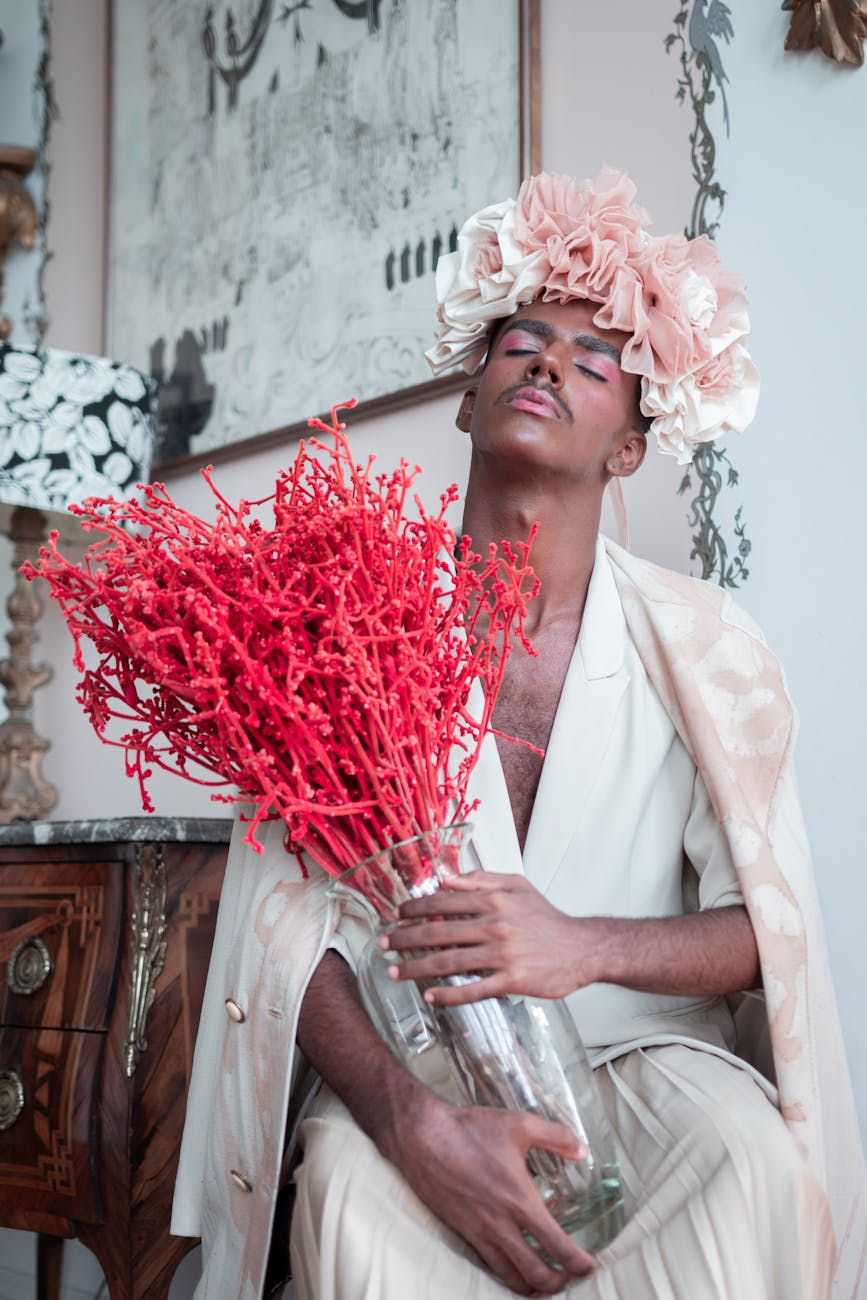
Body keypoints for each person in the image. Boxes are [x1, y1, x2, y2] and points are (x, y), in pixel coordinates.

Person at [171, 170, 867, 1299]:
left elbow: (769, 931)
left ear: (632, 448)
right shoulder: (340, 636)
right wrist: (410, 1122)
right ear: (465, 397)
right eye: (521, 343)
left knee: (760, 1173)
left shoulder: (709, 647)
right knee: (346, 1192)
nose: (549, 362)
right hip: (423, 1075)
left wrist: (581, 944)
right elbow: (280, 935)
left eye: (597, 362)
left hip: (650, 1059)